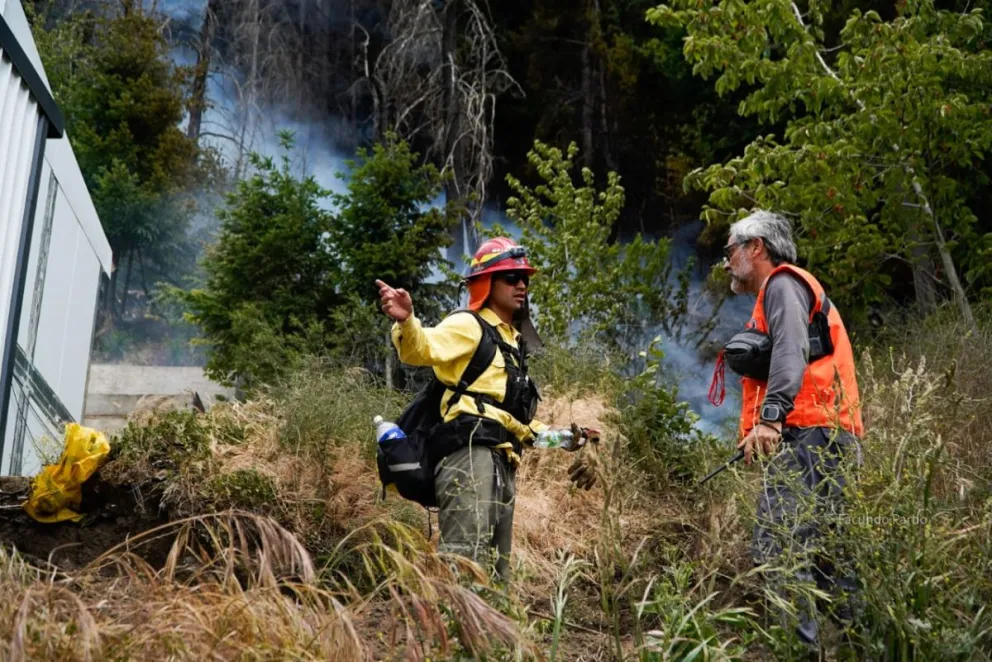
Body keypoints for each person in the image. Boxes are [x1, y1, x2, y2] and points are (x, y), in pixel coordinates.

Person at [376, 237, 599, 580]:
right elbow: (422, 350)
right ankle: (448, 629)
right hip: (469, 455)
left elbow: (518, 427)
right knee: (465, 562)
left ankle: (489, 633)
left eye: (524, 278)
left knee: (496, 574)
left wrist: (570, 439)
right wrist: (407, 321)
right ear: (487, 283)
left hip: (501, 464)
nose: (521, 284)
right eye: (511, 277)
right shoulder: (469, 325)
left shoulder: (511, 342)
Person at [719, 210, 864, 649]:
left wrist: (770, 418)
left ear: (756, 247)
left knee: (778, 546)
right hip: (829, 435)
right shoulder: (787, 291)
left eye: (731, 251)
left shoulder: (783, 284)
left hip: (809, 433)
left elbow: (790, 349)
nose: (727, 262)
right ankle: (867, 649)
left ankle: (800, 653)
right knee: (829, 559)